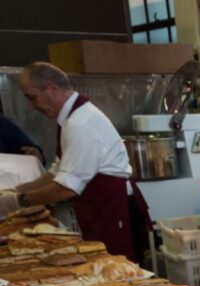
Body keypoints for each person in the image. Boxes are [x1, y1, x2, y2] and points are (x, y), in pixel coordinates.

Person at [0, 63, 150, 262]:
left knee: (118, 273)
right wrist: (14, 190)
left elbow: (66, 188)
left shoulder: (81, 124)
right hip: (101, 208)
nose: (30, 106)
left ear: (52, 89)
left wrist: (20, 201)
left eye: (31, 97)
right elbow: (57, 171)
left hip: (115, 209)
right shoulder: (71, 119)